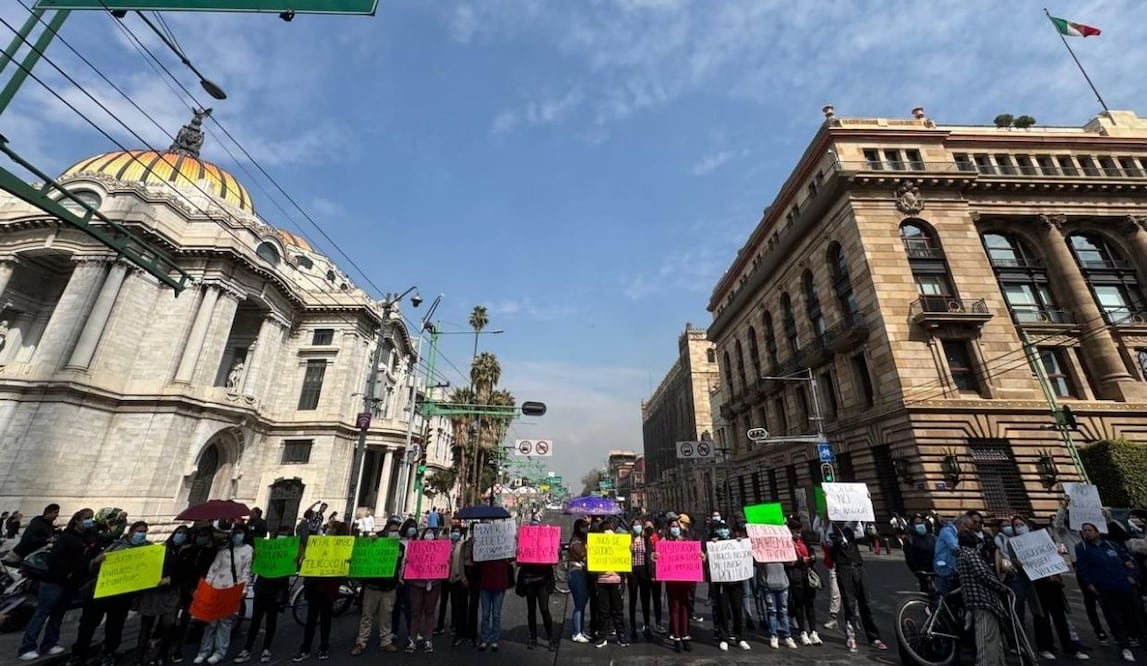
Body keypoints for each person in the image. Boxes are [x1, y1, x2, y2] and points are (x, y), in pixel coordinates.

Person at [72, 521, 154, 666]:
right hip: (102, 592)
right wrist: (97, 560)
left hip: (123, 596)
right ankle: (79, 654)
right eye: (139, 531)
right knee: (88, 625)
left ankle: (109, 653)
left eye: (144, 531)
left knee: (115, 626)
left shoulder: (149, 550)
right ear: (131, 532)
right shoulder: (117, 545)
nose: (142, 534)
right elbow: (93, 566)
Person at [1006, 517, 1088, 661]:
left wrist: (1057, 571)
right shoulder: (1013, 543)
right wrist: (1018, 562)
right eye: (1016, 525)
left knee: (1060, 616)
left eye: (1021, 524)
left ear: (1028, 524)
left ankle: (1070, 647)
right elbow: (1013, 560)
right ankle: (1045, 647)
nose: (1019, 527)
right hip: (1035, 585)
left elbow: (1052, 555)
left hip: (1051, 582)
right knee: (1041, 617)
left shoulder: (1042, 537)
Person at [17, 508, 94, 662]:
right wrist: (67, 571)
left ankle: (50, 643)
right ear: (77, 520)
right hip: (54, 581)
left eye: (91, 518)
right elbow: (53, 559)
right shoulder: (66, 537)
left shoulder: (87, 538)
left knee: (58, 613)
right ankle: (27, 647)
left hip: (70, 583)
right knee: (42, 612)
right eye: (86, 518)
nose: (89, 521)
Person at [1076, 521, 1140, 662]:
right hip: (1104, 587)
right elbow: (1082, 567)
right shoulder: (1082, 548)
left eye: (1089, 530)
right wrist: (1089, 583)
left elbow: (1128, 560)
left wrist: (1131, 575)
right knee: (1114, 616)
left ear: (1097, 531)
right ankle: (1124, 645)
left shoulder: (1112, 545)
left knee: (1130, 613)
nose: (1086, 533)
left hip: (1122, 584)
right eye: (1084, 530)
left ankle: (1134, 637)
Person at [235, 527, 295, 664]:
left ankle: (266, 649)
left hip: (276, 591)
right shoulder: (267, 549)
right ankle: (247, 649)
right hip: (262, 587)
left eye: (285, 536)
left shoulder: (291, 552)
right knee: (255, 620)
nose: (281, 538)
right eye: (280, 534)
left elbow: (294, 567)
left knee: (271, 620)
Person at [195, 525, 253, 664]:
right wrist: (206, 586)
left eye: (240, 533)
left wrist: (243, 589)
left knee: (225, 623)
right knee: (210, 622)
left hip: (232, 589)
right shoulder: (223, 549)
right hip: (216, 588)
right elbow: (213, 569)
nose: (237, 535)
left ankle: (219, 652)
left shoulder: (248, 550)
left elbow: (246, 571)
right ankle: (204, 651)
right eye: (235, 533)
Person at [956, 524, 1012, 666]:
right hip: (983, 600)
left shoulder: (962, 555)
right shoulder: (970, 554)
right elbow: (983, 575)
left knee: (991, 637)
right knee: (986, 636)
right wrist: (1001, 587)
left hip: (976, 600)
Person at [828, 522, 887, 653]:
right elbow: (826, 542)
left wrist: (870, 531)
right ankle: (851, 636)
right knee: (849, 604)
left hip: (858, 566)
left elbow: (861, 535)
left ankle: (874, 638)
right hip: (843, 568)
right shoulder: (831, 531)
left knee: (865, 603)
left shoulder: (851, 529)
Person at [1056, 499, 1108, 645]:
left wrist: (1102, 512)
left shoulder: (1091, 531)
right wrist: (1063, 508)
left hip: (1099, 565)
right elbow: (1058, 524)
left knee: (1106, 599)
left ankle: (1117, 628)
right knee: (1090, 601)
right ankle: (1099, 631)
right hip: (1081, 567)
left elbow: (1106, 524)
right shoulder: (1066, 533)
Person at [293, 522, 347, 662]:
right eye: (329, 527)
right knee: (311, 619)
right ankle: (305, 648)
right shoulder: (318, 543)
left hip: (328, 588)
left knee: (325, 620)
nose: (329, 529)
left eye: (332, 528)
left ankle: (323, 647)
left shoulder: (342, 547)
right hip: (315, 587)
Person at [135, 526, 187, 666]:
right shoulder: (162, 549)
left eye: (184, 534)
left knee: (167, 625)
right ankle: (139, 658)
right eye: (179, 533)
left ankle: (161, 655)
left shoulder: (187, 552)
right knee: (146, 626)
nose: (181, 536)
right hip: (154, 591)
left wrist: (172, 579)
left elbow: (187, 572)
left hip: (171, 592)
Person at [352, 519, 403, 656]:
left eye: (396, 530)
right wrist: (370, 541)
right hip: (373, 586)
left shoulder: (399, 546)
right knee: (367, 615)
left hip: (389, 587)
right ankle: (361, 641)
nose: (394, 533)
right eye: (392, 530)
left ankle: (386, 641)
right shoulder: (375, 542)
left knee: (386, 616)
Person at [651, 517, 703, 653]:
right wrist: (655, 556)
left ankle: (685, 635)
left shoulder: (686, 541)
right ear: (669, 528)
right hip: (671, 581)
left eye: (677, 526)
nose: (675, 528)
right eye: (673, 526)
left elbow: (696, 555)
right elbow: (656, 556)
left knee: (685, 607)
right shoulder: (664, 542)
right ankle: (676, 637)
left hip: (685, 580)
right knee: (674, 608)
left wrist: (701, 556)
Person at [707, 520, 748, 652]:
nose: (723, 531)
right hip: (721, 584)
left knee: (737, 610)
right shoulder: (714, 544)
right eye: (720, 529)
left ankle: (739, 637)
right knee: (723, 611)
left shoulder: (735, 542)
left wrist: (741, 543)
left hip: (736, 583)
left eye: (725, 528)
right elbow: (707, 562)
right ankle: (724, 638)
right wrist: (711, 547)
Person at [407, 528, 443, 653]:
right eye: (427, 533)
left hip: (433, 584)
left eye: (431, 533)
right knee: (416, 612)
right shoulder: (416, 547)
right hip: (417, 584)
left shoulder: (439, 549)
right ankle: (412, 639)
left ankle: (428, 639)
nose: (429, 535)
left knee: (430, 611)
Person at [786, 516, 821, 646]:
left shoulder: (804, 539)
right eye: (796, 532)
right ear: (790, 530)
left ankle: (814, 632)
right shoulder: (786, 543)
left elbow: (811, 551)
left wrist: (812, 556)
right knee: (799, 604)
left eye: (800, 531)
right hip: (795, 576)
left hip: (807, 575)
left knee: (810, 604)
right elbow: (788, 561)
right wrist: (801, 560)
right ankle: (803, 632)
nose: (798, 534)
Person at [592, 523, 628, 648]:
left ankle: (603, 637)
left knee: (604, 611)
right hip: (614, 580)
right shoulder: (618, 541)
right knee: (617, 611)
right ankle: (621, 637)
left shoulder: (598, 542)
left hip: (603, 581)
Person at [475, 525, 511, 651]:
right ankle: (485, 639)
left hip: (499, 585)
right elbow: (476, 560)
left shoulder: (505, 550)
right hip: (485, 584)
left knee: (496, 615)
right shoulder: (483, 548)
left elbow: (512, 559)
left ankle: (494, 639)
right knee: (485, 614)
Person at [519, 540, 557, 650]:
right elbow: (519, 561)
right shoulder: (526, 541)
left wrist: (556, 551)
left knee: (544, 609)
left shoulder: (544, 541)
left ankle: (550, 638)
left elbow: (554, 556)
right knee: (531, 610)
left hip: (542, 580)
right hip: (530, 579)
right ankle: (533, 638)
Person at [626, 519, 655, 641]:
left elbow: (650, 555)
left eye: (638, 525)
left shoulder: (646, 539)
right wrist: (628, 549)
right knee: (633, 599)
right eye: (634, 525)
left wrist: (652, 573)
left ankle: (647, 626)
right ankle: (633, 628)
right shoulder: (628, 539)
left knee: (645, 600)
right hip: (632, 572)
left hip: (644, 572)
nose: (636, 527)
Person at [566, 519, 591, 643]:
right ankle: (576, 633)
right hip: (576, 573)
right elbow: (582, 555)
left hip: (580, 573)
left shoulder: (581, 540)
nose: (586, 529)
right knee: (579, 604)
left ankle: (580, 630)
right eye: (584, 527)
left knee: (582, 603)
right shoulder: (576, 541)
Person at [445, 524, 470, 647]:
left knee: (460, 605)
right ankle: (454, 626)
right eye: (453, 531)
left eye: (457, 531)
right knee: (453, 604)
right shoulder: (447, 545)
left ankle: (460, 630)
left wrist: (461, 576)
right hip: (447, 579)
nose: (455, 533)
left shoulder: (463, 545)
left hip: (459, 579)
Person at [904, 514, 936, 594]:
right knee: (927, 592)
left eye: (921, 523)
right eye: (917, 523)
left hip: (935, 569)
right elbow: (909, 558)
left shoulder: (930, 536)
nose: (920, 525)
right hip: (923, 571)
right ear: (912, 525)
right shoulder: (910, 539)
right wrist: (917, 571)